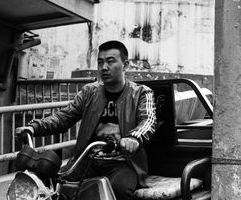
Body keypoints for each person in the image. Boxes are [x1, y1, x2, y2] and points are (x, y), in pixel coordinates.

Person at [16, 40, 156, 200]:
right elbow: (64, 117)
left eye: (110, 62)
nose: (104, 67)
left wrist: (133, 138)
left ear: (125, 65)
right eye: (100, 62)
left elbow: (148, 121)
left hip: (123, 163)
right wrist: (34, 127)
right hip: (87, 159)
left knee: (119, 191)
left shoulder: (141, 93)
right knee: (54, 187)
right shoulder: (90, 92)